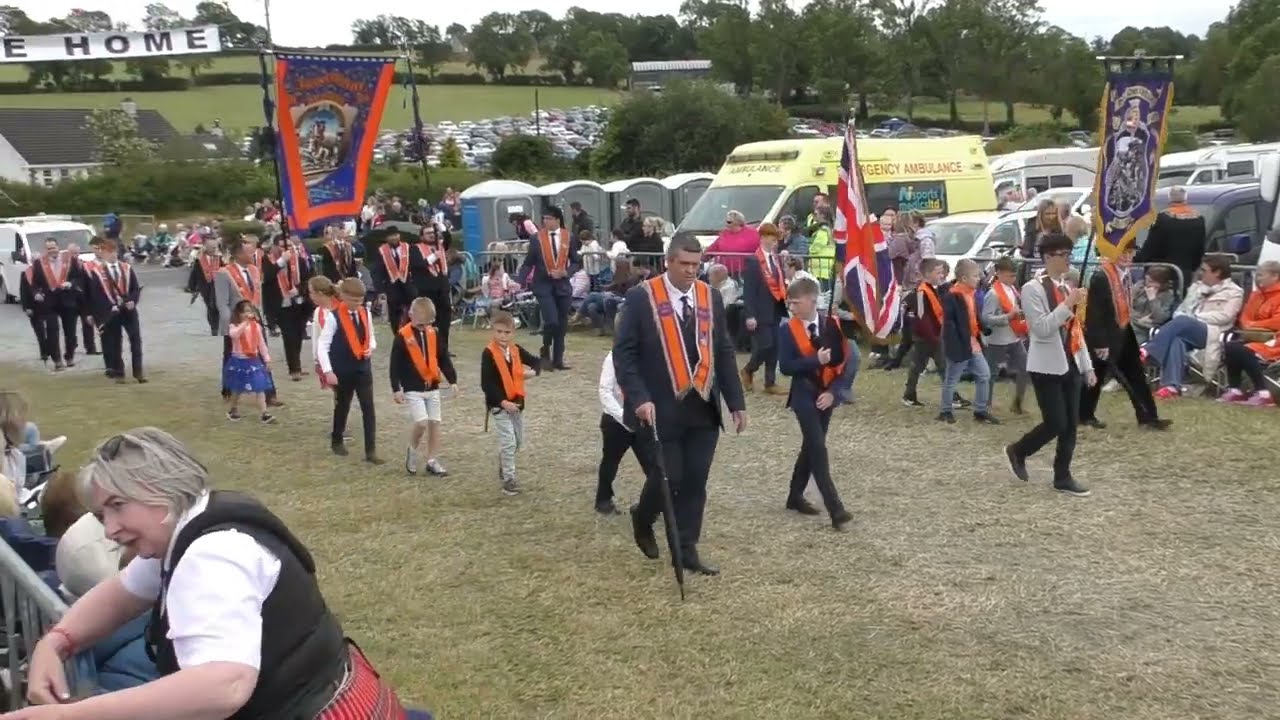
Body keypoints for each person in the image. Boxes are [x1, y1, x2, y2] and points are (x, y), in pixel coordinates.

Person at [11, 428, 415, 718]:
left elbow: (223, 685)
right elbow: (122, 592)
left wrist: (72, 716)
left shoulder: (210, 556)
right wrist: (58, 642)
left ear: (161, 490)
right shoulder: (192, 524)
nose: (110, 529)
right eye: (103, 514)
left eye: (118, 506)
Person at [613, 232, 748, 577]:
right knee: (667, 476)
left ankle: (686, 549)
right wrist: (639, 397)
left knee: (695, 481)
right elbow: (624, 354)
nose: (691, 271)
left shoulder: (710, 298)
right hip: (658, 407)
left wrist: (735, 401)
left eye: (696, 264)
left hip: (702, 406)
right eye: (684, 264)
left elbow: (723, 351)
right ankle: (643, 517)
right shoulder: (641, 299)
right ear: (668, 262)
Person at [1004, 233, 1096, 497]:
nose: (1068, 259)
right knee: (1055, 422)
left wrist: (1087, 365)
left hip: (1071, 362)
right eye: (1063, 255)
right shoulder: (1033, 289)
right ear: (1047, 257)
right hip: (1046, 364)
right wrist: (1068, 304)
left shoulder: (1068, 288)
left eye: (1069, 254)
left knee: (1070, 426)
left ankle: (1063, 475)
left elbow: (1076, 330)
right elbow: (1041, 328)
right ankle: (1019, 450)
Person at [776, 277, 853, 530]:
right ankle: (836, 509)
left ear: (811, 300)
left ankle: (794, 497)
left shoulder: (831, 325)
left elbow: (844, 364)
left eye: (796, 303)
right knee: (818, 448)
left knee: (811, 447)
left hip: (825, 397)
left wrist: (834, 392)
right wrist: (815, 361)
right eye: (790, 304)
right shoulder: (787, 330)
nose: (792, 308)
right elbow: (786, 367)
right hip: (803, 396)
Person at [1080, 245, 1168, 429]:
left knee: (1135, 374)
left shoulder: (1125, 274)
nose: (1127, 257)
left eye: (1131, 252)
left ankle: (1148, 417)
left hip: (1123, 329)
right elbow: (1094, 313)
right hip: (1105, 334)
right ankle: (1083, 414)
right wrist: (1100, 342)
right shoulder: (1101, 276)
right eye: (1123, 252)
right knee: (1095, 375)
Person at [1145, 254, 1244, 399]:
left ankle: (1149, 351)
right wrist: (1185, 318)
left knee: (1184, 321)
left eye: (1204, 270)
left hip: (1211, 332)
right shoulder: (1196, 288)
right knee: (1176, 340)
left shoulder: (1234, 292)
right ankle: (1171, 387)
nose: (1200, 273)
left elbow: (1226, 317)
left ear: (1217, 272)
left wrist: (1196, 319)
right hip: (1185, 329)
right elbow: (1180, 310)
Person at [390, 297, 458, 477]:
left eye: (427, 324)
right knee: (421, 423)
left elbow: (443, 358)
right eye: (420, 325)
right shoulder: (402, 337)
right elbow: (394, 365)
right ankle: (412, 451)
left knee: (435, 423)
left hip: (433, 387)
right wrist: (396, 388)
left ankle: (432, 460)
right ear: (410, 315)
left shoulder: (434, 334)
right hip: (413, 389)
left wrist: (453, 380)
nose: (423, 328)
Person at [318, 278, 382, 464]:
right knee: (343, 405)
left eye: (360, 300)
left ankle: (371, 451)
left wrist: (371, 347)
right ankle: (336, 439)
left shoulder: (365, 313)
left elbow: (371, 337)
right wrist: (328, 370)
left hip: (363, 368)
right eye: (354, 300)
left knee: (368, 408)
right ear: (343, 297)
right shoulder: (333, 317)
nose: (358, 304)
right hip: (342, 370)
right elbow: (323, 345)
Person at [594, 306, 651, 516]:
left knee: (653, 466)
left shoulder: (647, 357)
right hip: (616, 422)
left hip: (642, 419)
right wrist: (623, 417)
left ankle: (652, 504)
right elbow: (605, 391)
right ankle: (603, 500)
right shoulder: (612, 359)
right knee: (610, 463)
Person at [480, 311, 541, 496]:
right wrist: (502, 402)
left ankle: (504, 464)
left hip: (517, 404)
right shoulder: (488, 353)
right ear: (493, 331)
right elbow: (487, 383)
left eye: (506, 332)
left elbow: (536, 362)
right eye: (498, 332)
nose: (502, 336)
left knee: (517, 442)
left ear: (512, 332)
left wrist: (533, 372)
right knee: (508, 442)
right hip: (499, 406)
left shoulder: (516, 350)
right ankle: (509, 480)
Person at [216, 238, 280, 406]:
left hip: (254, 319)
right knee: (231, 356)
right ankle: (229, 389)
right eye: (248, 251)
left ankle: (269, 392)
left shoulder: (254, 270)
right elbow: (221, 302)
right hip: (235, 320)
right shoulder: (224, 273)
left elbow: (257, 295)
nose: (252, 254)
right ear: (238, 254)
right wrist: (229, 324)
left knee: (261, 354)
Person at [519, 206, 581, 371]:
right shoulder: (536, 239)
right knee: (551, 320)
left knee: (561, 324)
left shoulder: (569, 237)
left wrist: (566, 272)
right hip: (543, 285)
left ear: (557, 220)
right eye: (544, 219)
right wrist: (520, 280)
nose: (545, 222)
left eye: (548, 218)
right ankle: (545, 349)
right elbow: (528, 262)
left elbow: (576, 261)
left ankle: (558, 360)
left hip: (562, 286)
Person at [940, 259, 998, 424]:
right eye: (975, 276)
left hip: (972, 341)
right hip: (959, 343)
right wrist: (954, 346)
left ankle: (980, 410)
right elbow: (950, 325)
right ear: (964, 278)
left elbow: (974, 316)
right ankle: (945, 411)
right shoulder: (953, 296)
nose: (979, 278)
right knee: (952, 378)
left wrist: (983, 328)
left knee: (984, 374)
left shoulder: (971, 293)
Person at [84, 240, 146, 384]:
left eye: (113, 251)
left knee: (136, 340)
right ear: (103, 253)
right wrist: (93, 313)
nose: (111, 254)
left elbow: (135, 289)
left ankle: (138, 372)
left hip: (129, 311)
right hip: (112, 312)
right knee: (115, 343)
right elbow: (93, 294)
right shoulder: (97, 272)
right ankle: (119, 372)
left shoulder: (126, 268)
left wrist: (132, 300)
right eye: (108, 252)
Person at [740, 222, 788, 395]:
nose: (775, 242)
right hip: (760, 311)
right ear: (763, 238)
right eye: (772, 238)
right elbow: (749, 290)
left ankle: (770, 382)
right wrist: (750, 314)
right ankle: (749, 369)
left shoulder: (776, 259)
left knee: (775, 346)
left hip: (776, 308)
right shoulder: (754, 260)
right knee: (765, 345)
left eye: (776, 238)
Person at [1134, 186, 1206, 291]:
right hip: (1185, 272)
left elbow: (1152, 246)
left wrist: (1138, 258)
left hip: (1162, 275)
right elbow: (1200, 248)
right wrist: (1193, 267)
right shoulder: (1198, 219)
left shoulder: (1164, 218)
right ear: (1185, 198)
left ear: (1170, 198)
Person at [981, 257, 1030, 414]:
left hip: (1014, 338)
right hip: (997, 340)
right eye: (1010, 276)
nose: (1013, 279)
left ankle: (1018, 403)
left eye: (1014, 276)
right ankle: (985, 404)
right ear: (999, 274)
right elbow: (986, 318)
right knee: (991, 373)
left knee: (1025, 368)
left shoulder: (1012, 290)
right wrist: (1008, 317)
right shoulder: (993, 294)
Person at [28, 238, 83, 371]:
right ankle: (57, 360)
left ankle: (69, 356)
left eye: (53, 247)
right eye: (49, 249)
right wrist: (36, 293)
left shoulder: (70, 259)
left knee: (70, 332)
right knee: (52, 331)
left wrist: (71, 283)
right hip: (49, 301)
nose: (52, 251)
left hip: (67, 299)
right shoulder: (39, 263)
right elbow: (34, 284)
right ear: (45, 250)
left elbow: (79, 277)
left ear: (58, 247)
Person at [267, 234, 315, 381]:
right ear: (275, 247)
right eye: (282, 246)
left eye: (288, 246)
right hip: (281, 305)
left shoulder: (299, 261)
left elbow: (309, 279)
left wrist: (299, 290)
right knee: (289, 336)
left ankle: (297, 365)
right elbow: (266, 279)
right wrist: (281, 262)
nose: (286, 249)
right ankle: (294, 369)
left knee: (299, 334)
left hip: (299, 303)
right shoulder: (268, 262)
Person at [223, 300, 277, 424]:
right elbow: (234, 335)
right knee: (237, 388)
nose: (247, 314)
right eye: (245, 312)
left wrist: (267, 359)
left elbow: (261, 344)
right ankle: (233, 408)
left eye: (249, 311)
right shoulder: (234, 325)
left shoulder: (256, 326)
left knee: (259, 387)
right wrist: (244, 324)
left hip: (253, 360)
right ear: (239, 313)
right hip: (239, 360)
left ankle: (264, 413)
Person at [410, 224, 454, 356]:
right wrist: (434, 257)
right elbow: (418, 265)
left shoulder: (439, 246)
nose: (431, 235)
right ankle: (429, 347)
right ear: (421, 236)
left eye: (433, 233)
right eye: (428, 233)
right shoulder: (415, 248)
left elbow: (447, 239)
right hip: (426, 289)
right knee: (429, 319)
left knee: (444, 320)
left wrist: (442, 228)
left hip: (442, 287)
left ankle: (443, 349)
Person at [374, 228, 414, 330]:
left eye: (396, 235)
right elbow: (377, 272)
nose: (394, 238)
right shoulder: (382, 251)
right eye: (391, 236)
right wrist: (380, 290)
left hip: (408, 285)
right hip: (392, 286)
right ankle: (398, 334)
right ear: (386, 238)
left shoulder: (408, 248)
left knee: (411, 311)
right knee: (394, 315)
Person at [185, 237, 223, 336]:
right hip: (205, 286)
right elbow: (194, 274)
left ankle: (218, 324)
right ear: (206, 248)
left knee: (216, 304)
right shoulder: (199, 260)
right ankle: (214, 327)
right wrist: (192, 287)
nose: (214, 249)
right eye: (212, 247)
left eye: (215, 247)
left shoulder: (220, 259)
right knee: (210, 306)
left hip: (218, 285)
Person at [307, 276, 340, 390]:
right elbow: (316, 337)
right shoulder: (318, 312)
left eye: (311, 292)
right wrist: (316, 359)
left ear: (320, 293)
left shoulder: (341, 307)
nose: (310, 296)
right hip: (328, 357)